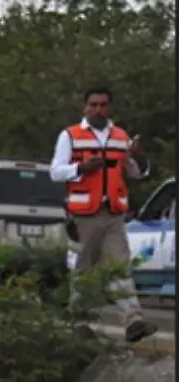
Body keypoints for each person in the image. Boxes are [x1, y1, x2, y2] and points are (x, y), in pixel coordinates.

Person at [49, 85, 156, 342]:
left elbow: (137, 172)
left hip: (113, 213)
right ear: (85, 107)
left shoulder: (120, 136)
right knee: (83, 271)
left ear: (110, 107)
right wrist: (81, 168)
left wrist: (140, 159)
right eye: (93, 104)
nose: (98, 109)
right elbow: (55, 171)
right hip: (83, 214)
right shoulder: (71, 135)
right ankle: (77, 325)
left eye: (103, 105)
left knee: (119, 267)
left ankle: (133, 321)